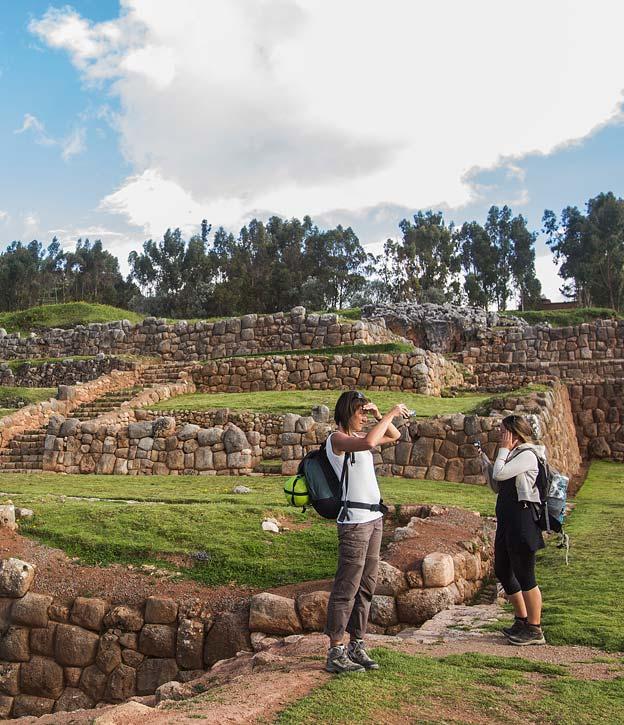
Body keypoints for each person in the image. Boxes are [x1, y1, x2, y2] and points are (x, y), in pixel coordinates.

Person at [324, 390, 409, 673]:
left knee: (366, 586)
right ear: (347, 412)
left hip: (373, 519)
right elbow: (372, 440)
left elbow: (393, 437)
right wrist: (392, 413)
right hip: (354, 523)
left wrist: (378, 413)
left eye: (364, 412)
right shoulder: (338, 440)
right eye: (359, 412)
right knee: (346, 587)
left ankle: (356, 645)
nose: (363, 417)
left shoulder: (359, 440)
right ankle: (335, 650)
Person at [481, 414, 547, 646]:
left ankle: (535, 628)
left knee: (525, 574)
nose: (500, 436)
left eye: (503, 432)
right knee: (502, 570)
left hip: (523, 521)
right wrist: (485, 463)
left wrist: (502, 452)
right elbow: (498, 484)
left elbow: (501, 473)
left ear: (514, 434)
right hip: (508, 521)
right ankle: (521, 619)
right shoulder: (514, 455)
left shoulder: (528, 455)